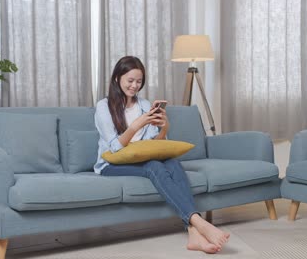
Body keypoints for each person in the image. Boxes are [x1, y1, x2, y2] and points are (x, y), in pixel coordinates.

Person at [94, 56, 230, 253]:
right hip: (110, 164)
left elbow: (154, 147)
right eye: (130, 81)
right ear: (117, 79)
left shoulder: (144, 104)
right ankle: (198, 222)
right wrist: (136, 125)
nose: (134, 86)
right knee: (154, 167)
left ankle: (193, 233)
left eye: (139, 82)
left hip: (140, 157)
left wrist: (164, 128)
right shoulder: (103, 107)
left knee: (172, 162)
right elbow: (114, 147)